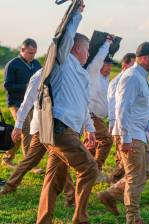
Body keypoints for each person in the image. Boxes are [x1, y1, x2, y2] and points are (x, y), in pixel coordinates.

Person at [36, 2, 99, 224]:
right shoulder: (62, 63)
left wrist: (89, 129)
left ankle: (43, 221)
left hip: (68, 131)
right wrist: (76, 13)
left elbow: (83, 105)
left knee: (53, 181)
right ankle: (80, 219)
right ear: (76, 48)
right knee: (90, 169)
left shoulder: (79, 73)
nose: (88, 53)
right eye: (87, 49)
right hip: (60, 129)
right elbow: (62, 38)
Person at [97, 42, 149, 224]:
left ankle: (110, 194)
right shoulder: (132, 77)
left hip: (141, 133)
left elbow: (144, 107)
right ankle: (133, 218)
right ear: (143, 58)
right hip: (130, 133)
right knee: (135, 176)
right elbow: (122, 110)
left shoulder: (142, 77)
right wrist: (125, 138)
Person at [0, 69, 75, 207]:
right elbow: (27, 101)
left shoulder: (62, 72)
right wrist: (18, 125)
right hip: (42, 127)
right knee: (56, 160)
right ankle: (71, 197)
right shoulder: (40, 75)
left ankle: (9, 187)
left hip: (53, 126)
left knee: (42, 160)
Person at [3, 38, 42, 170]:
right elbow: (7, 85)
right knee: (26, 129)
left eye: (34, 53)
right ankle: (29, 165)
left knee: (19, 133)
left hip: (32, 103)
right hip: (16, 103)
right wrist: (27, 87)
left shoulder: (37, 64)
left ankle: (7, 158)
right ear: (22, 50)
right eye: (30, 53)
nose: (33, 56)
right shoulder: (12, 64)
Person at [84, 35, 115, 175]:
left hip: (98, 117)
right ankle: (95, 171)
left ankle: (85, 170)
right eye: (107, 64)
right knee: (106, 140)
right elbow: (97, 59)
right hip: (90, 115)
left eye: (111, 65)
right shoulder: (93, 73)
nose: (109, 67)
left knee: (91, 145)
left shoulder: (104, 79)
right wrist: (107, 42)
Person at [107, 52, 136, 184]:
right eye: (132, 64)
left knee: (125, 159)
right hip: (120, 126)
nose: (135, 67)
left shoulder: (134, 79)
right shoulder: (116, 82)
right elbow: (113, 104)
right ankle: (114, 185)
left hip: (132, 126)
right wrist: (113, 122)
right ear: (125, 65)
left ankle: (118, 185)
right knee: (123, 159)